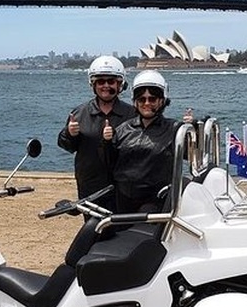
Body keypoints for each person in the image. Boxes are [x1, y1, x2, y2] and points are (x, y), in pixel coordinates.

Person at [57, 55, 135, 213]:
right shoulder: (79, 113)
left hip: (123, 185)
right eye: (100, 81)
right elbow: (67, 145)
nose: (105, 86)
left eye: (111, 81)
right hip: (90, 186)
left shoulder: (132, 114)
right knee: (93, 228)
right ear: (92, 84)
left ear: (120, 84)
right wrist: (70, 133)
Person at [104, 70, 188, 214]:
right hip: (123, 200)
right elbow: (109, 163)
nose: (147, 103)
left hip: (157, 202)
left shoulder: (175, 129)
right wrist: (106, 142)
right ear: (135, 102)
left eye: (152, 99)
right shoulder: (123, 129)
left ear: (162, 100)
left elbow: (190, 156)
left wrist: (192, 132)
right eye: (142, 99)